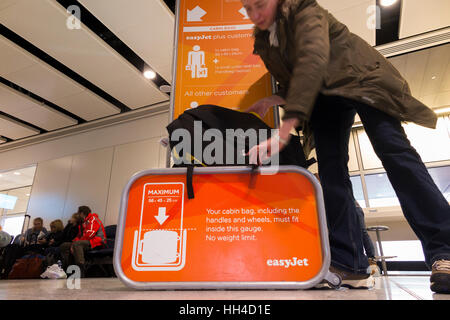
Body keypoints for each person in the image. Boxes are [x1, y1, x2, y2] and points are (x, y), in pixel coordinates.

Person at [242, 0, 450, 293]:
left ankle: (445, 250)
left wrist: (283, 132)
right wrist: (274, 99)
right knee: (330, 170)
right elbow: (294, 80)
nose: (254, 13)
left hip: (362, 77)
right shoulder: (266, 43)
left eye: (260, 4)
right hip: (324, 97)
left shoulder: (305, 12)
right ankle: (350, 263)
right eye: (247, 7)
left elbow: (313, 62)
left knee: (393, 151)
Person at [60, 206, 106, 277]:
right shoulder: (83, 222)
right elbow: (79, 236)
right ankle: (69, 268)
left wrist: (75, 243)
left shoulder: (93, 219)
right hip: (88, 241)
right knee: (64, 245)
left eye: (78, 213)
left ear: (82, 213)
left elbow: (90, 234)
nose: (77, 215)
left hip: (98, 242)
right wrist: (73, 243)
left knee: (77, 244)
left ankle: (81, 270)